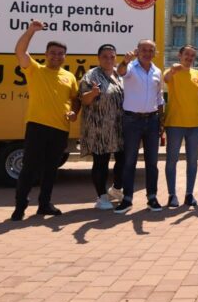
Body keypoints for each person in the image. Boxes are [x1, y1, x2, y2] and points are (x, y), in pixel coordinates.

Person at [11, 20, 79, 221]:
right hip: (37, 127)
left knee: (50, 170)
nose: (56, 56)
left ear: (65, 56)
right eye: (53, 53)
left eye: (60, 53)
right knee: (29, 169)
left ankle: (44, 205)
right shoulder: (35, 69)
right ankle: (20, 207)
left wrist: (74, 112)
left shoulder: (69, 76)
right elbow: (20, 51)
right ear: (46, 54)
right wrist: (31, 31)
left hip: (60, 129)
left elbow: (75, 99)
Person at [115, 39, 165, 213]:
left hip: (152, 120)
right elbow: (120, 71)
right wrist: (124, 61)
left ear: (155, 53)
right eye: (144, 50)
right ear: (137, 51)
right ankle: (127, 199)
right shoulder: (130, 67)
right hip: (132, 121)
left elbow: (159, 97)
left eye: (151, 50)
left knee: (152, 162)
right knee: (129, 161)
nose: (147, 53)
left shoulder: (157, 71)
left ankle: (152, 198)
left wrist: (161, 121)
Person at [78, 43, 125, 210]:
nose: (109, 59)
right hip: (98, 128)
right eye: (105, 56)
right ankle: (101, 196)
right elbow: (83, 100)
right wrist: (92, 93)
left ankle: (116, 189)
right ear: (98, 58)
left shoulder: (119, 75)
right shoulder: (91, 75)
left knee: (123, 161)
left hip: (119, 128)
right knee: (101, 163)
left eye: (112, 56)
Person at [163, 44, 198, 208]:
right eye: (186, 55)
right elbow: (166, 79)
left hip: (194, 125)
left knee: (193, 161)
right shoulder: (171, 71)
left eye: (192, 55)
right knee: (171, 161)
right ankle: (172, 195)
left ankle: (189, 194)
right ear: (179, 55)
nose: (189, 58)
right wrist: (173, 69)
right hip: (175, 124)